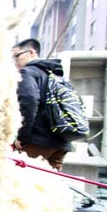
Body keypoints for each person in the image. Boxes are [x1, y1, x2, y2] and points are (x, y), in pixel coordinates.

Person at [12, 38, 71, 171]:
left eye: (16, 56)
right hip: (61, 143)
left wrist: (22, 136)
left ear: (31, 52)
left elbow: (29, 101)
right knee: (50, 186)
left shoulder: (27, 72)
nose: (14, 61)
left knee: (22, 185)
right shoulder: (55, 74)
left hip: (37, 142)